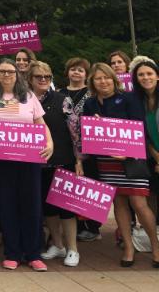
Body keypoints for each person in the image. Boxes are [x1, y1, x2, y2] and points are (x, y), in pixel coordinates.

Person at [0, 59, 53, 271]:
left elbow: (41, 124)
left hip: (29, 158)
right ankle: (12, 253)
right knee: (7, 204)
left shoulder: (28, 96)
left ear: (17, 74)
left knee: (31, 204)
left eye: (10, 72)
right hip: (2, 159)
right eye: (2, 72)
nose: (6, 75)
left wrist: (49, 143)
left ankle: (33, 253)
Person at [80, 63, 159, 267]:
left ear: (114, 79)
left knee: (140, 204)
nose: (103, 81)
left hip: (132, 160)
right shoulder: (89, 104)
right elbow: (87, 133)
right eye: (98, 78)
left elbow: (140, 129)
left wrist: (127, 152)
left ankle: (156, 246)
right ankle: (128, 248)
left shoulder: (129, 99)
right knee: (119, 203)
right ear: (92, 81)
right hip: (106, 162)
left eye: (106, 77)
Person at [28, 61, 79, 267]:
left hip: (62, 159)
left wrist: (79, 160)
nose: (43, 80)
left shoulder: (62, 99)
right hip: (35, 162)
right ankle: (57, 245)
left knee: (66, 206)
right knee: (47, 207)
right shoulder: (21, 100)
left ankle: (72, 248)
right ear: (29, 79)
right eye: (38, 77)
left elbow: (75, 132)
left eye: (47, 77)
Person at [62, 58, 99, 242]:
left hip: (90, 146)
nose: (76, 73)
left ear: (86, 74)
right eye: (73, 69)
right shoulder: (59, 93)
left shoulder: (92, 94)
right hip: (66, 146)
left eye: (80, 70)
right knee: (71, 185)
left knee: (90, 183)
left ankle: (92, 227)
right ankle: (75, 225)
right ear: (67, 72)